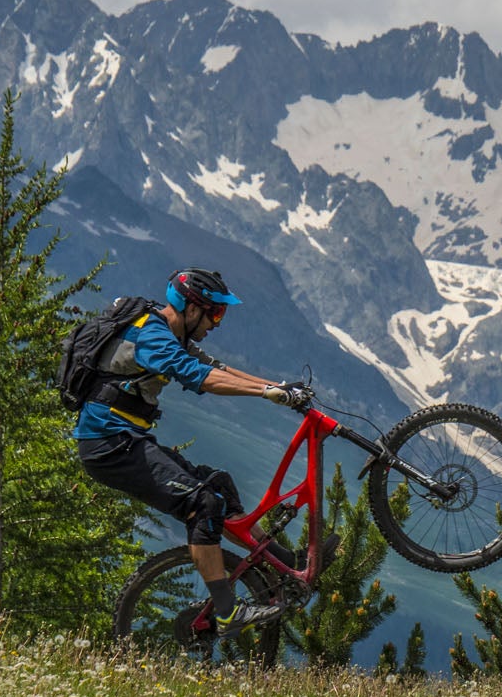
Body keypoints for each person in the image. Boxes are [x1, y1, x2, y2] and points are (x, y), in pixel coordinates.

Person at [73, 267, 323, 637]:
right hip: (109, 447)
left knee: (218, 488)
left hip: (127, 440)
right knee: (202, 502)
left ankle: (287, 566)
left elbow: (215, 367)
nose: (217, 323)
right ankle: (225, 613)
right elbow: (201, 377)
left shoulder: (169, 332)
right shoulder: (153, 336)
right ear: (191, 308)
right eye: (215, 313)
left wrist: (279, 388)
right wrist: (265, 393)